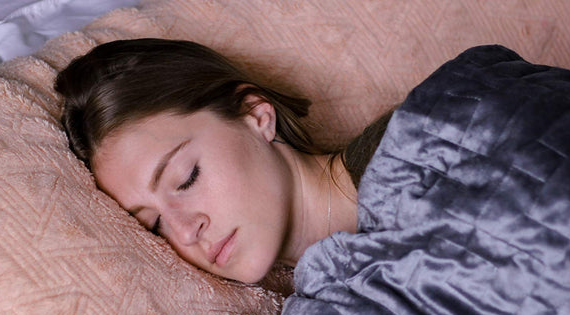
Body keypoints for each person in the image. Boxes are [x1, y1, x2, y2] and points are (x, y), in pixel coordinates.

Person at [55, 37, 388, 284]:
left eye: (187, 178)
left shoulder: (413, 145)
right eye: (155, 225)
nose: (186, 233)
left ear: (255, 113)